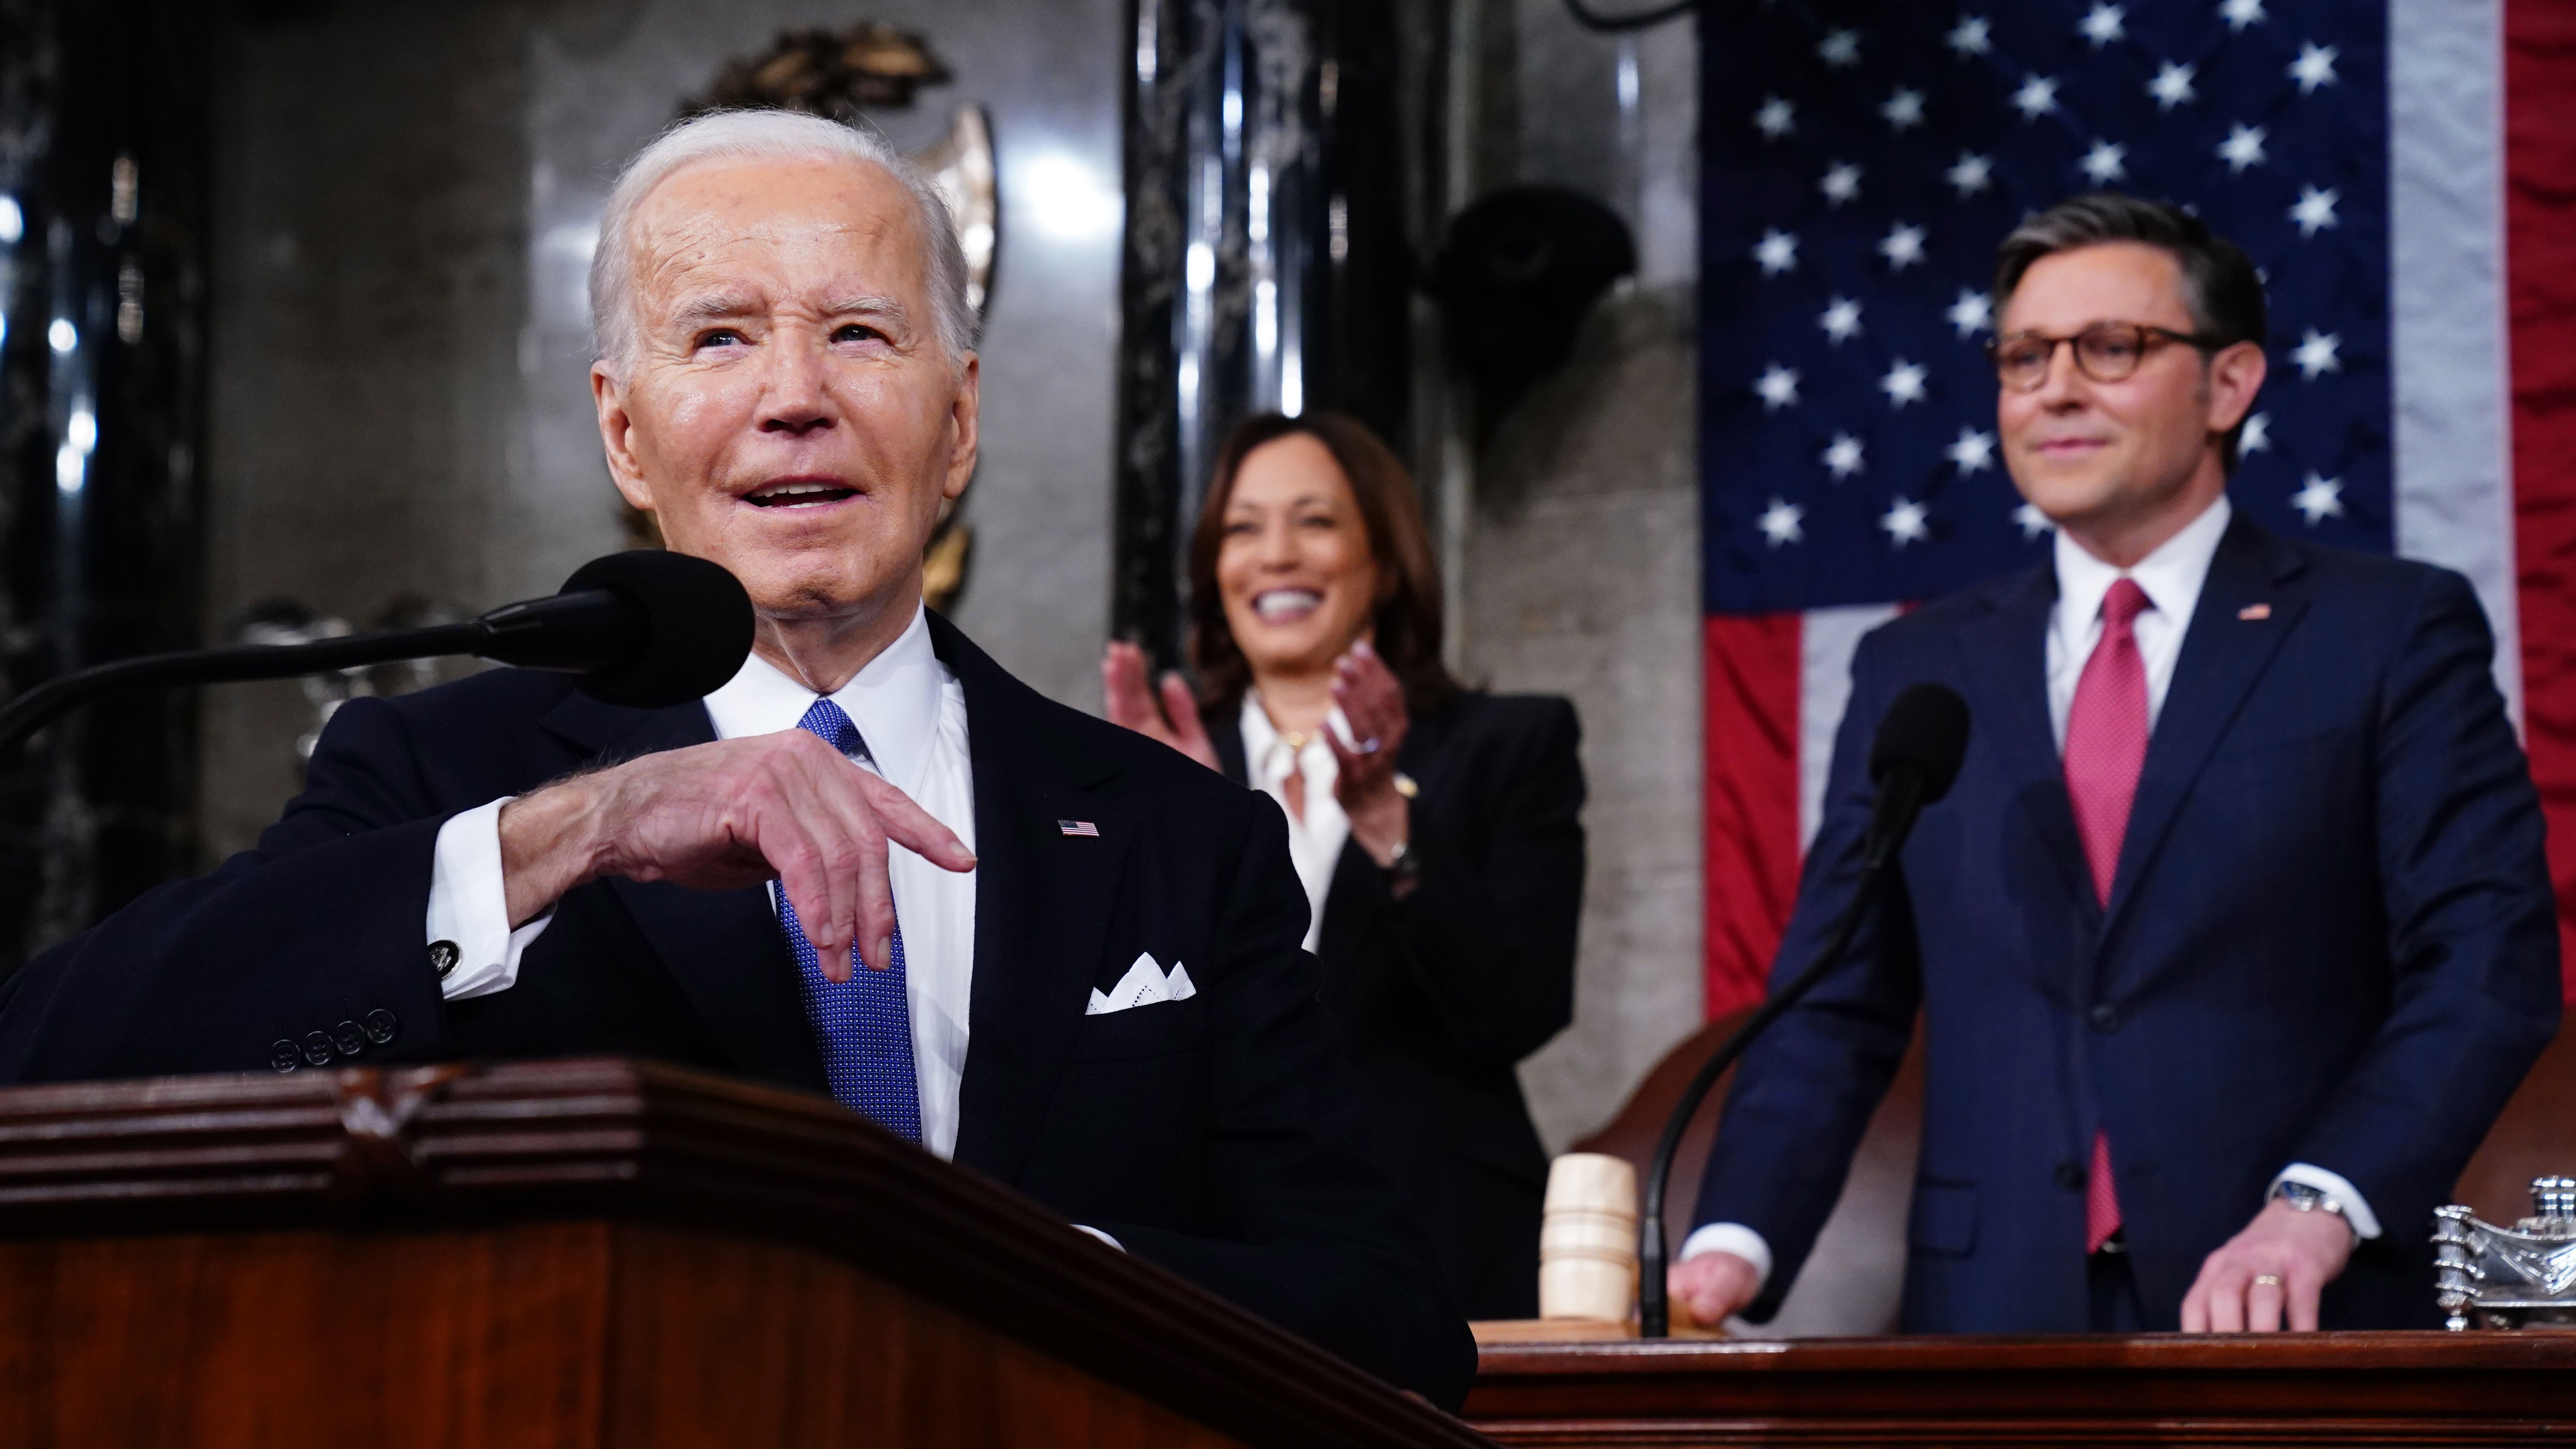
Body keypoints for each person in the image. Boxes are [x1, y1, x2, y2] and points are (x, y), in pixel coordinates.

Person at [0, 110, 1475, 1406]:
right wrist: (569, 833)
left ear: (957, 421)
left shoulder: (1175, 831)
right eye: (719, 335)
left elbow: (1392, 1312)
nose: (794, 396)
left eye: (858, 331)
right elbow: (59, 1066)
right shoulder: (449, 773)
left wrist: (1037, 1277)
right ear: (626, 433)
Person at [1668, 194, 2559, 1335]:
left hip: (2298, 1306)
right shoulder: (1918, 669)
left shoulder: (2385, 633)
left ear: (2229, 384)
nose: (2054, 389)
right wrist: (1732, 1242)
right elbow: (1837, 1000)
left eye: (2112, 348)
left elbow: (2487, 963)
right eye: (2024, 356)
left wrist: (2320, 1205)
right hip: (1991, 1322)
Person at [1101, 411, 1583, 1321]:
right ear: (1214, 570)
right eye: (1244, 529)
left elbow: (1517, 1008)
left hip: (1443, 1249)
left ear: (1386, 559)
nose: (1276, 554)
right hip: (1210, 1255)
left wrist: (1386, 820)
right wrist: (1187, 843)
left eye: (1315, 521)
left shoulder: (1509, 744)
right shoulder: (1155, 767)